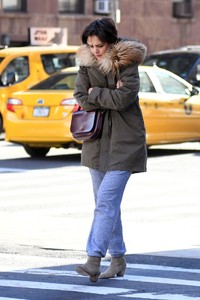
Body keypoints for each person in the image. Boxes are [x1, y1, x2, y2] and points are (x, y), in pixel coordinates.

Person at [73, 18, 147, 283]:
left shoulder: (128, 62)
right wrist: (103, 94)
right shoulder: (86, 63)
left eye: (100, 45)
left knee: (106, 202)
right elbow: (81, 96)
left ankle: (93, 259)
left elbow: (124, 98)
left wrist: (96, 93)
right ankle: (118, 259)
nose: (95, 50)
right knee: (106, 204)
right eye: (91, 45)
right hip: (96, 142)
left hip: (125, 143)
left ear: (112, 41)